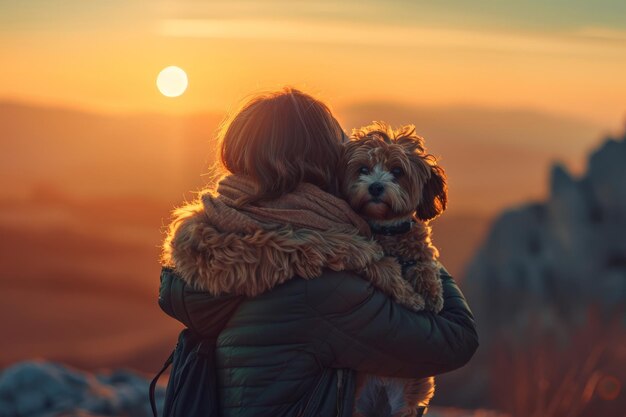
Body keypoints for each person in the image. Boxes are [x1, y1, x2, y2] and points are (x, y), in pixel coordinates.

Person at [157, 87, 478, 417]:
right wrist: (409, 240)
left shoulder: (229, 239)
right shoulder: (322, 279)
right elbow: (454, 341)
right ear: (326, 164)